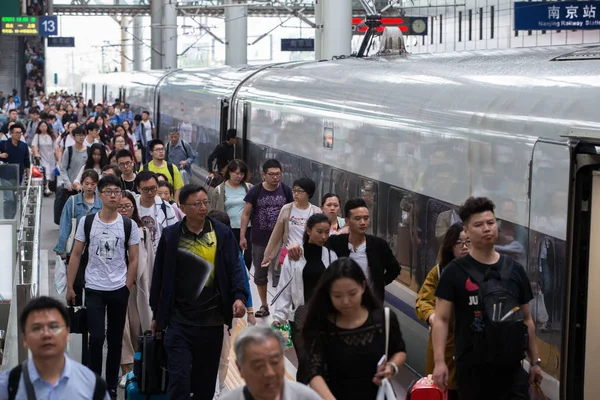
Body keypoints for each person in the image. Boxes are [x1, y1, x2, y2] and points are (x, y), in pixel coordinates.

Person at [432, 197, 543, 400]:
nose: (487, 229)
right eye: (479, 224)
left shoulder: (515, 270)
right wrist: (440, 362)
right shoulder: (454, 272)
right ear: (466, 230)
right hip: (473, 373)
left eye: (490, 223)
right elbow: (441, 319)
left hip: (512, 372)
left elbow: (527, 320)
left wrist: (534, 361)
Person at [149, 184, 248, 400]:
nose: (203, 208)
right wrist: (157, 314)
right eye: (197, 204)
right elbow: (160, 277)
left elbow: (235, 268)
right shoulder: (171, 235)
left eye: (205, 203)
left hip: (211, 324)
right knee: (180, 381)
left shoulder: (221, 234)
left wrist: (239, 296)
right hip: (179, 323)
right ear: (183, 207)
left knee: (204, 385)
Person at [65, 174, 140, 399]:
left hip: (118, 288)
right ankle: (95, 382)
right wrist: (71, 287)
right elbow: (76, 254)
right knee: (96, 338)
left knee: (115, 340)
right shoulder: (88, 222)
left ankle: (110, 386)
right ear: (100, 195)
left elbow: (134, 258)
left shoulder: (129, 225)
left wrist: (127, 286)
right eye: (108, 192)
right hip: (94, 288)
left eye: (117, 192)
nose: (113, 196)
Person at [302, 257, 407, 399]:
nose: (346, 302)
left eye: (352, 293)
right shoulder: (322, 326)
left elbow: (399, 351)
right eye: (337, 296)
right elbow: (314, 372)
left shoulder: (384, 319)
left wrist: (391, 367)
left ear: (363, 287)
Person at [290, 198, 400, 303]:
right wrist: (296, 246)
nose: (363, 222)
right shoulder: (335, 243)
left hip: (369, 304)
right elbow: (313, 245)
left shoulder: (378, 245)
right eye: (357, 219)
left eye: (366, 218)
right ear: (347, 221)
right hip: (342, 305)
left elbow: (395, 268)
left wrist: (379, 283)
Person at [0, 296, 110, 399]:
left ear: (67, 333)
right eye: (36, 328)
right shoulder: (7, 386)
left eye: (54, 326)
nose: (46, 334)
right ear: (24, 339)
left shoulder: (93, 386)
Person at [272, 213, 337, 383]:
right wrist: (279, 317)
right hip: (300, 318)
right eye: (319, 231)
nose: (323, 236)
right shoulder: (294, 256)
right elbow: (284, 286)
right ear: (308, 231)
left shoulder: (331, 256)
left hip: (324, 318)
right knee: (305, 361)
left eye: (327, 232)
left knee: (320, 364)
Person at [415, 222, 469, 400]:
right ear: (450, 246)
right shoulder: (439, 272)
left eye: (469, 242)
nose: (465, 247)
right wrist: (431, 316)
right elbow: (423, 299)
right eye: (459, 242)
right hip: (445, 347)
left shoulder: (483, 271)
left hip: (472, 348)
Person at [206, 210, 255, 399]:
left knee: (224, 352)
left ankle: (217, 389)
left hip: (227, 312)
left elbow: (243, 283)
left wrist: (249, 310)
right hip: (204, 311)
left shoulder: (234, 253)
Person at [240, 159, 294, 318]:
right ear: (263, 175)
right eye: (271, 174)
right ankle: (264, 305)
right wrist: (243, 236)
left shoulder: (286, 190)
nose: (275, 177)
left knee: (281, 272)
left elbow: (293, 212)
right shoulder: (255, 191)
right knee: (260, 274)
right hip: (259, 240)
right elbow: (246, 214)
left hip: (282, 242)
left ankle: (281, 307)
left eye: (278, 174)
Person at [117, 191, 155, 388]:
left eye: (128, 207)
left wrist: (152, 287)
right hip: (116, 285)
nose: (124, 210)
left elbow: (150, 262)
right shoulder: (110, 229)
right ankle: (127, 368)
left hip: (139, 286)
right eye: (120, 207)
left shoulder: (143, 232)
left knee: (137, 326)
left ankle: (138, 367)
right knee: (121, 326)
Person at [223, 326, 321, 400]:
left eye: (275, 362)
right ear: (240, 368)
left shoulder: (306, 397)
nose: (270, 373)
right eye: (259, 366)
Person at [263, 177, 321, 271]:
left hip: (307, 255)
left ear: (309, 193)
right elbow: (276, 235)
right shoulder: (286, 209)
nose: (296, 194)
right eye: (294, 190)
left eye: (300, 191)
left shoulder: (316, 211)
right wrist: (268, 256)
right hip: (288, 255)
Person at [210, 159, 253, 270]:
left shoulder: (249, 188)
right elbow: (213, 212)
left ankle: (245, 276)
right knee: (232, 257)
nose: (239, 176)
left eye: (242, 174)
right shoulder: (219, 190)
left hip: (247, 228)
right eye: (237, 173)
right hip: (229, 228)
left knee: (248, 258)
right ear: (229, 172)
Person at [54, 170, 102, 257]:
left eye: (93, 184)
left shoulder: (102, 202)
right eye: (86, 184)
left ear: (97, 184)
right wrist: (61, 247)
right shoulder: (72, 201)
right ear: (81, 183)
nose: (89, 187)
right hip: (75, 248)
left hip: (96, 249)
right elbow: (65, 225)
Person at [135, 170, 178, 250]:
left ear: (157, 186)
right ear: (138, 188)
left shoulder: (165, 207)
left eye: (153, 188)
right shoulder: (133, 207)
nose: (150, 192)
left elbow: (174, 232)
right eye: (145, 189)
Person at [31, 120, 58, 196]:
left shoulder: (51, 136)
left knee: (51, 172)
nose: (43, 128)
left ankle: (47, 187)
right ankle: (46, 188)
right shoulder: (37, 136)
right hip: (42, 156)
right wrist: (36, 153)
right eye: (41, 126)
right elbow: (34, 145)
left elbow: (56, 147)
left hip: (51, 157)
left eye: (45, 126)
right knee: (46, 171)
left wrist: (58, 158)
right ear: (39, 127)